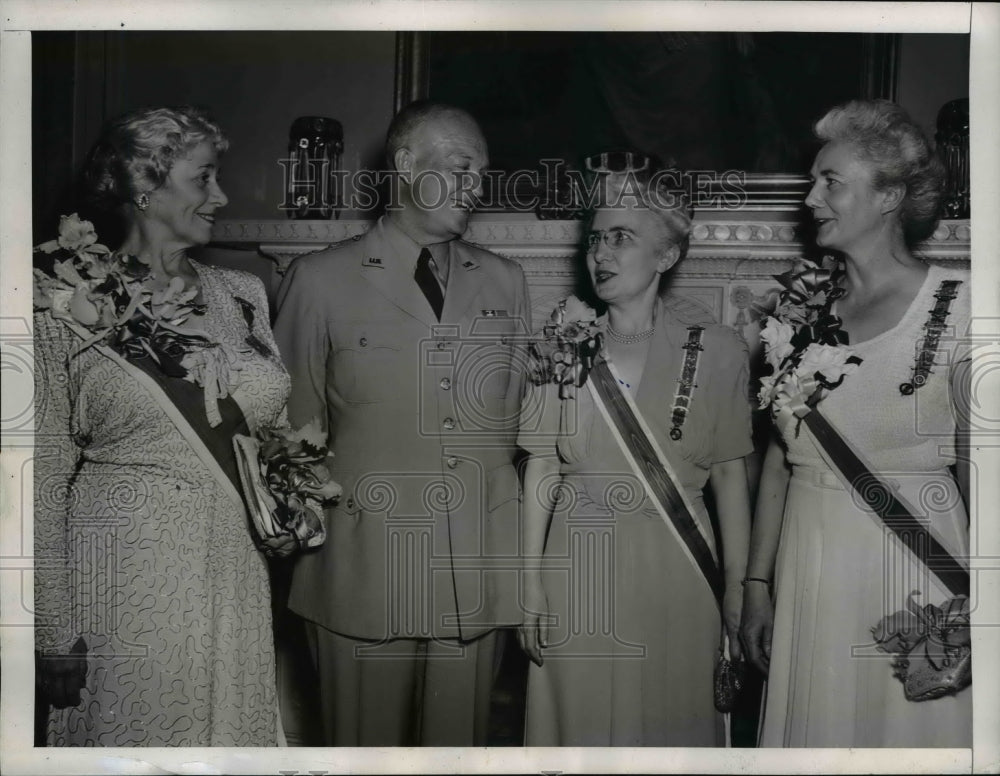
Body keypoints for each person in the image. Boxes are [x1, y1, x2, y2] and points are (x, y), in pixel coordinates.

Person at [272, 101, 531, 746]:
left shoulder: (506, 282)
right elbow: (287, 435)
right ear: (406, 164)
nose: (476, 188)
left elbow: (517, 423)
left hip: (473, 569)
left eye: (483, 174)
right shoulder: (319, 280)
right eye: (462, 169)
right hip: (361, 573)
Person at [34, 106, 292, 746]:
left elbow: (271, 433)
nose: (222, 196)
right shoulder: (64, 301)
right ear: (144, 187)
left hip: (234, 571)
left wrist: (290, 503)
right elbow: (36, 475)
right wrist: (52, 631)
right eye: (205, 178)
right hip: (125, 578)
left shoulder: (242, 294)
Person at [740, 99, 972, 747]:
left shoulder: (962, 305)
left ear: (890, 196)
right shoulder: (797, 309)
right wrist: (757, 584)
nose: (811, 197)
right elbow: (784, 462)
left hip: (914, 567)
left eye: (831, 181)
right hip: (810, 557)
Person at [516, 163, 753, 745]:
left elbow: (729, 477)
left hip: (677, 572)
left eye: (622, 238)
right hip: (577, 569)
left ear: (666, 256)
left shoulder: (717, 350)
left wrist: (739, 590)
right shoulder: (562, 344)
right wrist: (528, 584)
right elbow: (543, 467)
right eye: (597, 238)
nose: (602, 252)